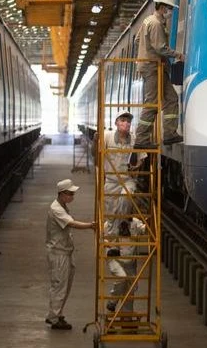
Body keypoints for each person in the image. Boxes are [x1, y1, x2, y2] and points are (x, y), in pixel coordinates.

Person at [134, 0, 185, 148]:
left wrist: (146, 50)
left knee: (171, 98)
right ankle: (141, 140)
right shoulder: (155, 23)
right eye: (169, 8)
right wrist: (178, 55)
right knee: (151, 103)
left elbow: (137, 40)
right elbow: (160, 48)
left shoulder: (147, 21)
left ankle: (169, 134)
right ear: (162, 7)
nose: (170, 12)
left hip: (155, 67)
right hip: (152, 67)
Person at [46, 178, 96, 330]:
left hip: (66, 251)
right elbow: (71, 223)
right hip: (58, 253)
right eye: (70, 193)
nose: (72, 196)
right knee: (59, 285)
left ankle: (57, 313)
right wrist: (90, 226)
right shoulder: (56, 209)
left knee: (65, 285)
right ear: (62, 194)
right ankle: (54, 318)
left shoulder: (63, 206)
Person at [102, 112, 143, 235]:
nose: (126, 123)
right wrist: (94, 141)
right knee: (111, 216)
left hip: (127, 180)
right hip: (110, 181)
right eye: (123, 120)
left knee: (127, 195)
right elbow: (96, 154)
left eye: (128, 121)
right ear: (116, 122)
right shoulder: (106, 137)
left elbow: (141, 160)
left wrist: (135, 167)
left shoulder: (134, 139)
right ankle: (112, 247)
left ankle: (124, 222)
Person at [105, 217, 147, 313]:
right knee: (121, 277)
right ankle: (112, 302)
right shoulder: (110, 224)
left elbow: (146, 229)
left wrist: (153, 220)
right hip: (115, 259)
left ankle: (126, 317)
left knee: (130, 289)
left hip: (130, 262)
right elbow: (103, 238)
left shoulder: (136, 223)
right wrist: (110, 246)